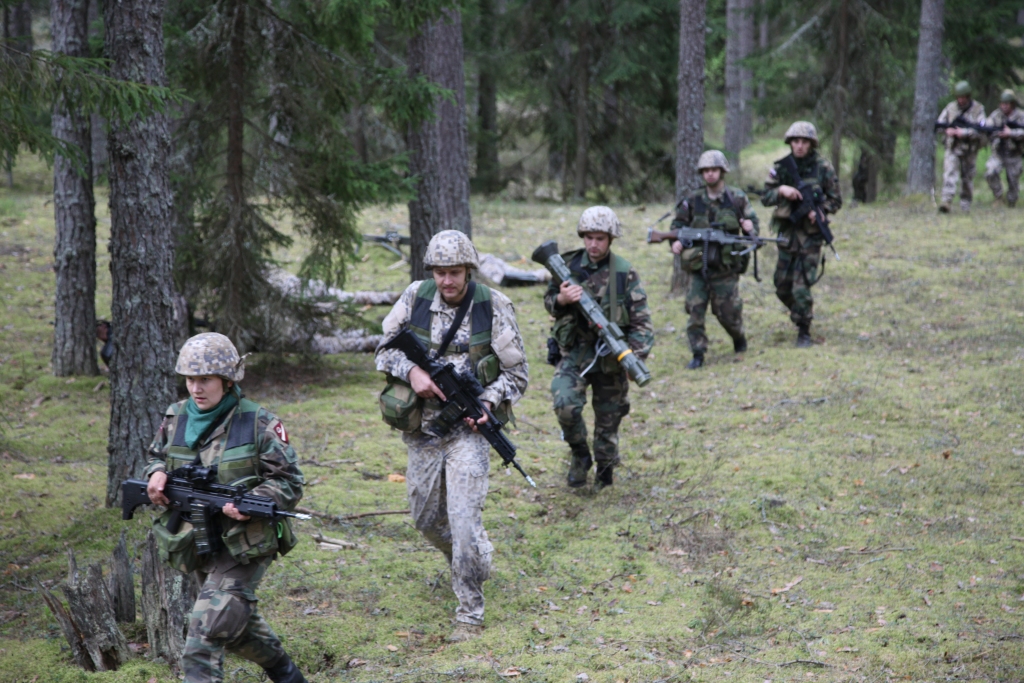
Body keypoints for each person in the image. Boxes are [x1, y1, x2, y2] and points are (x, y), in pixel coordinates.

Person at [375, 230, 528, 642]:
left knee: (463, 522)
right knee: (426, 521)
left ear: (468, 270)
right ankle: (471, 555)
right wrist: (413, 372)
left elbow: (517, 374)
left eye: (455, 272)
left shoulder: (494, 306)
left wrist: (489, 402)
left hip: (468, 434)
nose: (447, 281)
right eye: (440, 273)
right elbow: (384, 350)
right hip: (423, 431)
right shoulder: (415, 297)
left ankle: (469, 613)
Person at [144, 333, 308, 683]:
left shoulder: (258, 422)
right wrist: (156, 473)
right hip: (197, 541)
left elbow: (290, 481)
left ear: (228, 380)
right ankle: (288, 676)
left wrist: (256, 503)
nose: (196, 388)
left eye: (205, 379)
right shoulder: (176, 416)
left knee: (205, 634)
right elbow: (156, 456)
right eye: (190, 379)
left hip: (245, 544)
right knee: (235, 628)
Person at [544, 207, 654, 489]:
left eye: (600, 239)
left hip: (612, 359)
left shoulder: (624, 272)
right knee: (565, 405)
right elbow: (549, 302)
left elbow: (642, 322)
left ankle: (605, 472)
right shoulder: (566, 265)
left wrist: (635, 357)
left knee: (609, 421)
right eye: (589, 237)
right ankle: (580, 455)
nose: (593, 244)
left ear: (611, 239)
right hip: (575, 353)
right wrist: (561, 299)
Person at [668, 150, 759, 369]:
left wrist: (750, 228)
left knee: (728, 313)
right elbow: (677, 226)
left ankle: (738, 337)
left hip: (726, 269)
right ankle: (698, 353)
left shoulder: (736, 198)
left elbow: (753, 229)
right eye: (706, 170)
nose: (710, 174)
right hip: (699, 268)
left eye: (714, 170)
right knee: (695, 311)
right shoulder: (693, 199)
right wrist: (675, 242)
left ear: (722, 171)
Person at [761, 121, 842, 347]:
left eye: (804, 142)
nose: (799, 146)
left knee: (801, 286)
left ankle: (804, 330)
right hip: (787, 235)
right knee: (781, 286)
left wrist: (821, 211)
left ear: (811, 144)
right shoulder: (781, 168)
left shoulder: (823, 168)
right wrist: (781, 190)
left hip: (811, 236)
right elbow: (765, 196)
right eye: (795, 141)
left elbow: (836, 200)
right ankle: (799, 314)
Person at [936, 80, 987, 213]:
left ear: (968, 96)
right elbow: (940, 124)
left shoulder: (978, 109)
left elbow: (982, 128)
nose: (961, 100)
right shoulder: (950, 108)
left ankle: (965, 204)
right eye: (959, 97)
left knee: (967, 177)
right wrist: (947, 130)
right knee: (949, 173)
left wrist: (964, 132)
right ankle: (946, 201)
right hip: (953, 147)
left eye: (963, 97)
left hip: (970, 149)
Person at [984, 89, 1024, 207]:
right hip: (998, 152)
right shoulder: (996, 115)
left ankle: (1011, 200)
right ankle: (998, 196)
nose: (1004, 106)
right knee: (990, 172)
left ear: (1012, 104)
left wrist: (1011, 133)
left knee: (1013, 182)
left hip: (1014, 154)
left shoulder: (1020, 116)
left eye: (1007, 103)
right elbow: (987, 128)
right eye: (1002, 103)